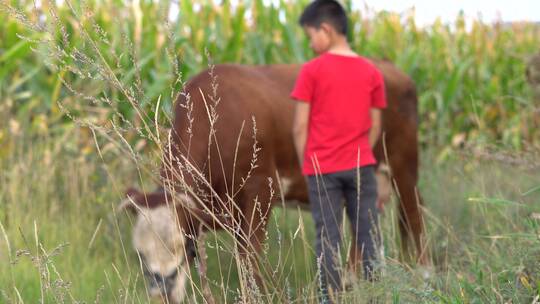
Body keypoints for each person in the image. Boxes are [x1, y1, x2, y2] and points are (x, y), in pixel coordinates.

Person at [290, 0, 387, 302]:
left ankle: (327, 298)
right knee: (368, 233)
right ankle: (376, 294)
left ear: (326, 30)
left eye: (311, 35)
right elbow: (375, 126)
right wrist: (358, 153)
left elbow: (299, 127)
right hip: (361, 165)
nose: (310, 42)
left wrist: (306, 163)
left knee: (328, 237)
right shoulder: (372, 72)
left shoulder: (311, 71)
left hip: (322, 169)